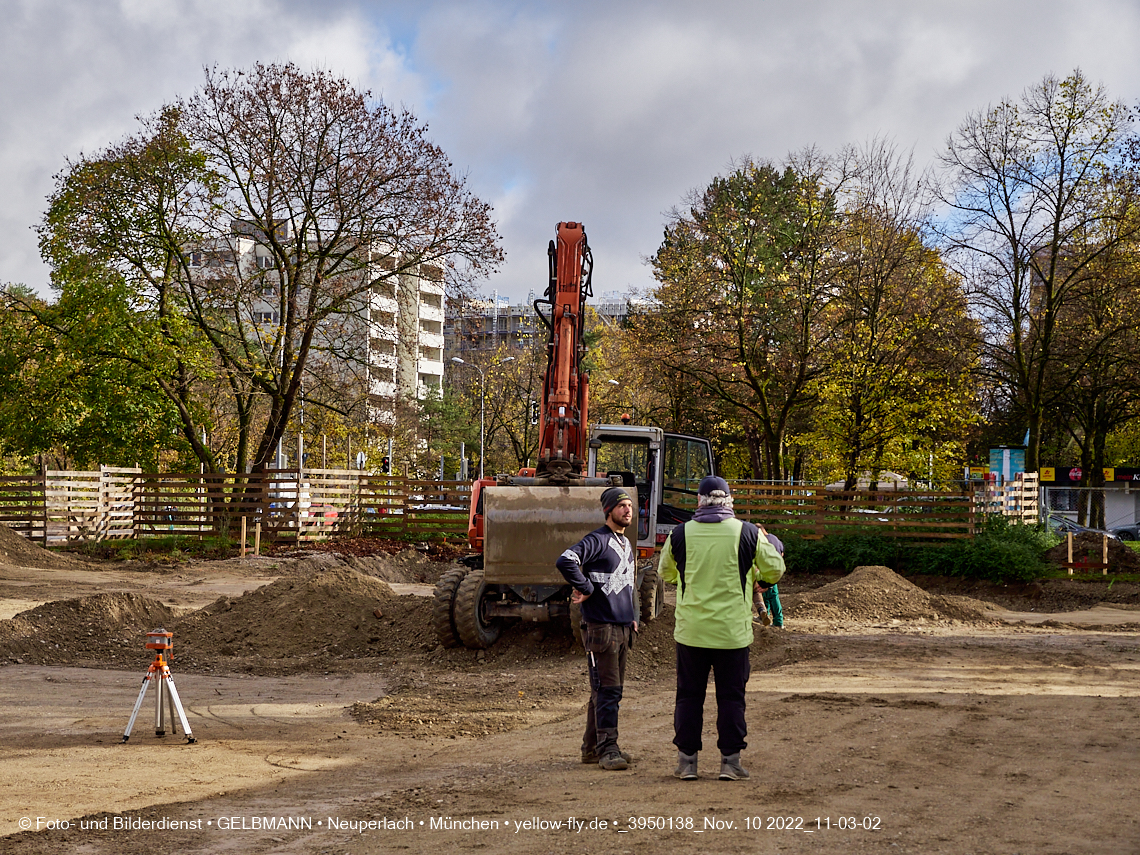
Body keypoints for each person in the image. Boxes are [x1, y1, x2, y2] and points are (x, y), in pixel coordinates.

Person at [658, 475, 785, 781]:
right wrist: (759, 580)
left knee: (688, 696)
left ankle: (686, 763)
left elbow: (665, 572)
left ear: (699, 502)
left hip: (692, 633)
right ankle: (730, 762)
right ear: (729, 500)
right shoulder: (748, 533)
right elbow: (776, 568)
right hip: (732, 634)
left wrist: (688, 583)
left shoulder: (680, 533)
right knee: (731, 698)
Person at [556, 486, 638, 771]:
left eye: (629, 505)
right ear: (609, 511)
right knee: (608, 691)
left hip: (622, 628)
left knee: (604, 691)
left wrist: (633, 614)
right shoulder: (598, 540)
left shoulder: (626, 544)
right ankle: (608, 749)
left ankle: (592, 749)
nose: (627, 510)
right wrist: (586, 587)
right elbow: (565, 560)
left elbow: (629, 582)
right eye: (621, 506)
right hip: (601, 628)